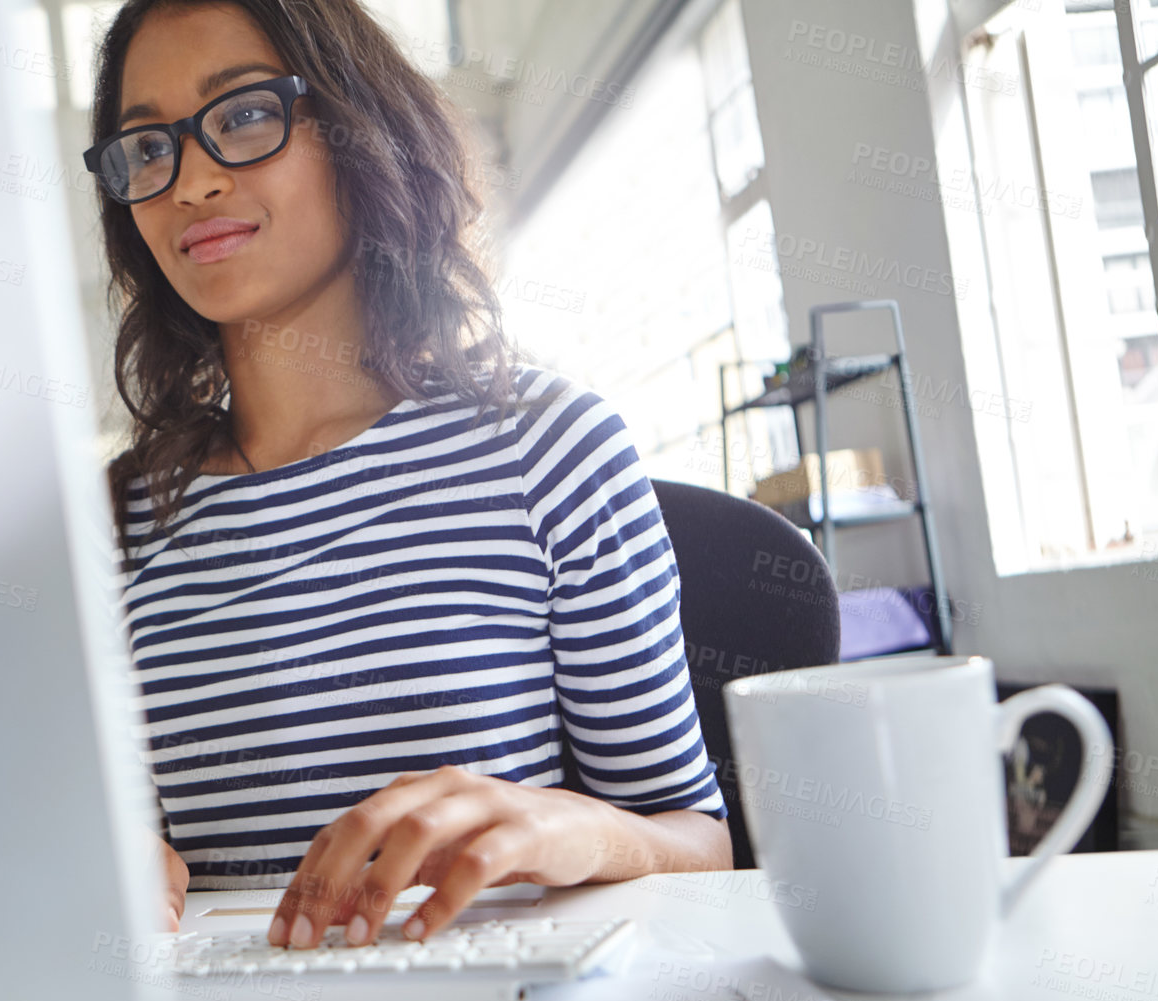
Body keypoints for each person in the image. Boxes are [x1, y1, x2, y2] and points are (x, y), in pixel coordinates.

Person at [85, 0, 731, 948]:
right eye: (146, 147)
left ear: (357, 130)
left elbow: (699, 846)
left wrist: (577, 826)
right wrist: (107, 856)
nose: (189, 182)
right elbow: (115, 844)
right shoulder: (116, 521)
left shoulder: (547, 449)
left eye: (245, 115)